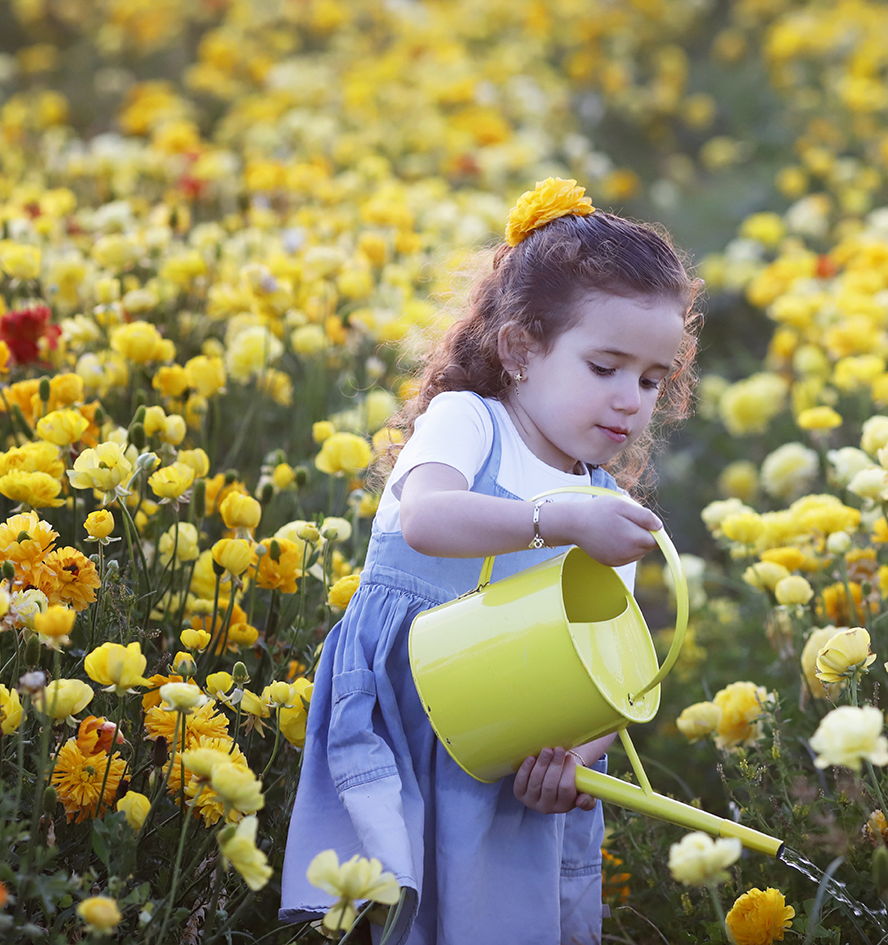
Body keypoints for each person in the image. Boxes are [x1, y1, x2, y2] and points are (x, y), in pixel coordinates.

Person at [280, 178, 701, 945]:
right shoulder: (469, 422)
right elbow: (428, 518)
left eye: (651, 379)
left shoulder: (606, 505)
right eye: (604, 366)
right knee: (399, 915)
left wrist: (575, 758)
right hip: (410, 715)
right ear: (519, 348)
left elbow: (613, 672)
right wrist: (559, 522)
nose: (631, 399)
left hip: (510, 749)